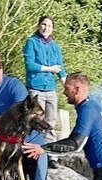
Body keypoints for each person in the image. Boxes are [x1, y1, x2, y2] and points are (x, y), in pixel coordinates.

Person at [22, 15, 65, 143]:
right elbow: (30, 65)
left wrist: (66, 85)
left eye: (50, 26)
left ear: (53, 29)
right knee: (36, 121)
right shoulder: (31, 42)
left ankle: (51, 156)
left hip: (51, 89)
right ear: (38, 25)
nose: (46, 28)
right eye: (44, 24)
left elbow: (60, 68)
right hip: (35, 89)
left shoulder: (55, 46)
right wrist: (49, 69)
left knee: (51, 122)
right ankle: (34, 150)